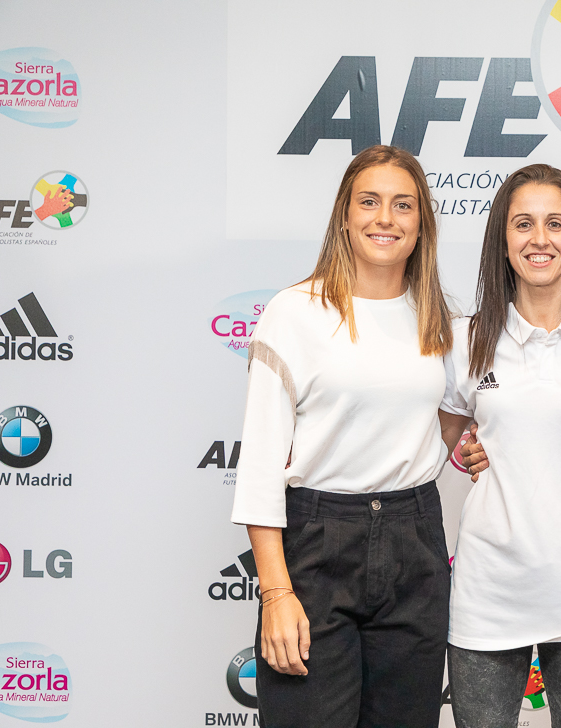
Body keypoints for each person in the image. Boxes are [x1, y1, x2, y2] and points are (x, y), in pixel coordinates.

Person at [230, 145, 466, 728]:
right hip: (316, 545)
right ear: (344, 215)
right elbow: (260, 467)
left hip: (417, 543)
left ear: (421, 224)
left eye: (403, 205)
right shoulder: (295, 312)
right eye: (370, 202)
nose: (385, 218)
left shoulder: (440, 318)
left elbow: (452, 416)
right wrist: (276, 594)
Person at [441, 164, 561, 728]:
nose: (540, 238)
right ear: (503, 242)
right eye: (523, 224)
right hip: (487, 595)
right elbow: (436, 443)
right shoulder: (466, 339)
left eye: (555, 223)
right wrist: (466, 450)